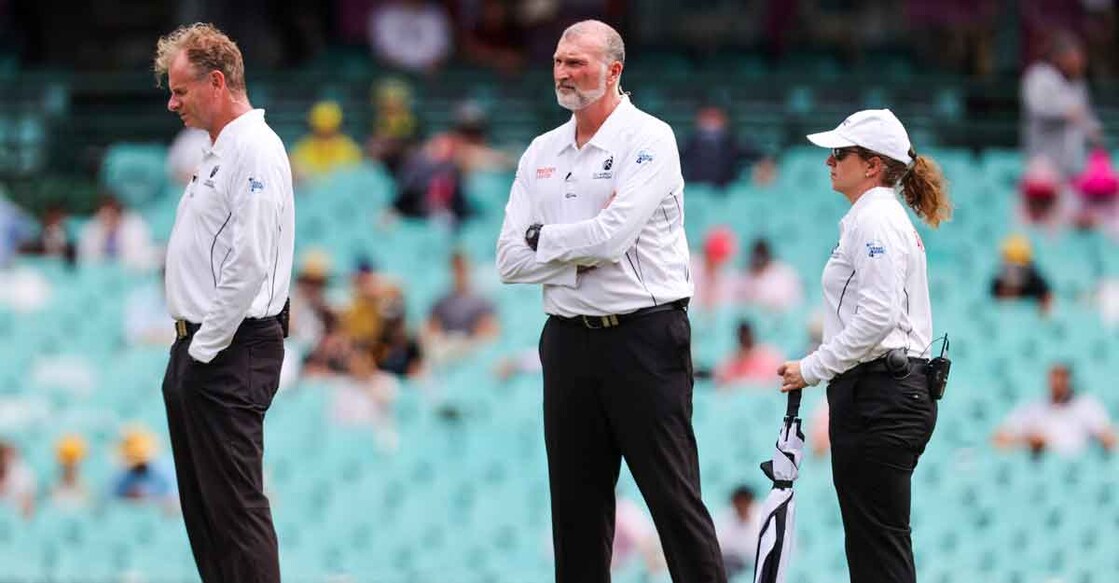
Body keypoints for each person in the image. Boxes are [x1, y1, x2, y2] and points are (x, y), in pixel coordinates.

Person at [496, 20, 726, 583]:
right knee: (575, 511)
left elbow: (613, 238)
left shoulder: (649, 138)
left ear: (614, 70)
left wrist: (544, 239)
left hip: (643, 337)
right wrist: (582, 242)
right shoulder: (541, 150)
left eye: (577, 62)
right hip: (568, 339)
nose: (563, 72)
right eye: (558, 61)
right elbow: (507, 260)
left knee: (674, 501)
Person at [777, 109, 952, 583]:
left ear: (872, 165)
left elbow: (878, 316)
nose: (829, 161)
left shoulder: (873, 220)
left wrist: (813, 367)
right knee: (876, 542)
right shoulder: (874, 218)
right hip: (887, 391)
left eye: (840, 153)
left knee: (876, 545)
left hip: (881, 393)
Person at [154, 22, 294, 583]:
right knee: (207, 515)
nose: (172, 102)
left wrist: (205, 349)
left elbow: (250, 260)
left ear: (216, 82)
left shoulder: (255, 149)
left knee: (235, 512)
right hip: (202, 346)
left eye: (181, 90)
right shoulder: (220, 151)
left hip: (228, 348)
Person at [1021, 31, 1102, 180]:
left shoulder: (1078, 84)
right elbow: (1038, 107)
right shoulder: (1039, 76)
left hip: (1072, 167)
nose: (1080, 62)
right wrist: (1065, 112)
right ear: (1059, 57)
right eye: (1075, 57)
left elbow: (1085, 115)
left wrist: (1094, 130)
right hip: (1043, 165)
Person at [993, 363, 1116, 457]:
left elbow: (1110, 438)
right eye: (1054, 377)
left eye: (1062, 377)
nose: (1057, 383)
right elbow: (1000, 439)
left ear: (1069, 379)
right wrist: (1028, 440)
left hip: (1080, 466)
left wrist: (1102, 438)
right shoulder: (1035, 407)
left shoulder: (1087, 405)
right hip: (1042, 469)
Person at [77, 195, 156, 270]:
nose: (107, 221)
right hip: (102, 273)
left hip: (131, 271)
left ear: (118, 215)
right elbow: (86, 258)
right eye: (104, 217)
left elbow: (140, 256)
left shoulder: (135, 227)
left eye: (110, 216)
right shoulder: (91, 230)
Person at [290, 100, 363, 180]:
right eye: (321, 134)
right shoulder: (302, 149)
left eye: (328, 134)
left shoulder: (350, 149)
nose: (325, 142)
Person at [110, 427, 177, 506]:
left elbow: (173, 499)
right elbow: (114, 494)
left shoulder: (165, 471)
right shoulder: (125, 475)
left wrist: (148, 496)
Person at [990, 234, 1052, 311]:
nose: (1012, 274)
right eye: (1008, 268)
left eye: (1017, 269)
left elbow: (1047, 301)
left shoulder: (1038, 286)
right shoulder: (996, 286)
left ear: (1027, 268)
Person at [737, 238, 803, 312]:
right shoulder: (743, 277)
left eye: (761, 260)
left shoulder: (783, 276)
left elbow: (795, 304)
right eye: (756, 261)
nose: (759, 264)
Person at [714, 320, 784, 388]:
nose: (745, 339)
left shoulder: (770, 358)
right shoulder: (731, 362)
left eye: (747, 336)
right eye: (743, 337)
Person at [714, 485, 760, 577]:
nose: (741, 507)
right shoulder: (724, 519)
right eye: (739, 503)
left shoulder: (763, 518)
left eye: (744, 502)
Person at [50, 434, 92, 510]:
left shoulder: (86, 491)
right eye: (67, 465)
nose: (70, 468)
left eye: (73, 465)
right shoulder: (53, 490)